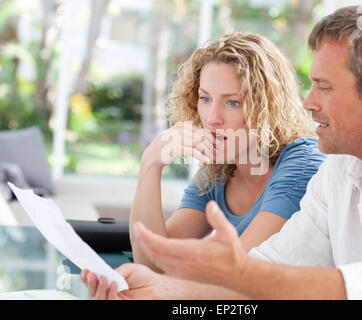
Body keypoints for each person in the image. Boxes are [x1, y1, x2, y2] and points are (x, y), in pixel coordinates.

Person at [82, 4, 362, 299]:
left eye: (323, 87)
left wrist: (223, 276)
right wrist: (164, 291)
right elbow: (269, 266)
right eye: (205, 98)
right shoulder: (339, 169)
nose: (308, 103)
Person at [127, 31, 325, 269]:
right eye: (205, 98)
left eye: (233, 102)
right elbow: (153, 262)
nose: (212, 119)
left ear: (267, 109)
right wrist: (150, 163)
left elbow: (237, 272)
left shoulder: (302, 163)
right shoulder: (218, 173)